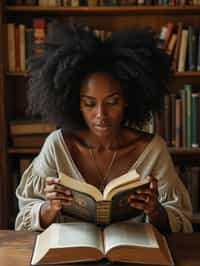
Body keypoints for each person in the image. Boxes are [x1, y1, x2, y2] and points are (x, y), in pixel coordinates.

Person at [15, 21, 193, 233]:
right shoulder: (58, 146)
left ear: (127, 99)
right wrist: (48, 208)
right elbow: (24, 219)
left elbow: (182, 222)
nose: (101, 114)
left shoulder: (153, 150)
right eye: (90, 103)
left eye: (112, 102)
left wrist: (155, 211)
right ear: (76, 103)